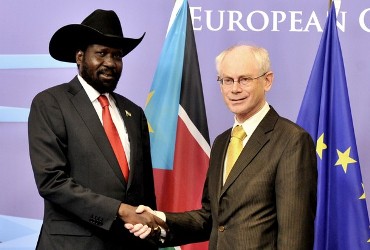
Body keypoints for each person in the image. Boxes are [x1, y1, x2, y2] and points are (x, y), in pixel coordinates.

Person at [126, 44, 318, 249]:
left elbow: (295, 237)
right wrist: (159, 219)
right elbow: (211, 218)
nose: (234, 89)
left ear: (267, 80)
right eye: (227, 80)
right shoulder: (221, 142)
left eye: (244, 79)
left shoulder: (292, 141)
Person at [28, 9, 162, 249]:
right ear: (80, 57)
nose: (110, 63)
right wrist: (119, 210)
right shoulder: (50, 103)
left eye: (117, 56)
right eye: (101, 53)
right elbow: (51, 181)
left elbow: (144, 191)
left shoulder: (134, 113)